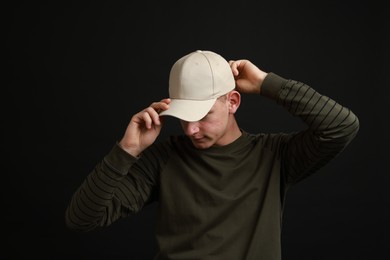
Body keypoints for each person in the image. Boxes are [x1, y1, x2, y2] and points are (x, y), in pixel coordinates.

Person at [65, 50, 359, 259]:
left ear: (232, 102)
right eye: (184, 117)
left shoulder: (273, 156)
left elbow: (341, 127)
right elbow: (81, 219)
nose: (191, 130)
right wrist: (127, 151)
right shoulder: (164, 158)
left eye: (203, 115)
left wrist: (267, 84)